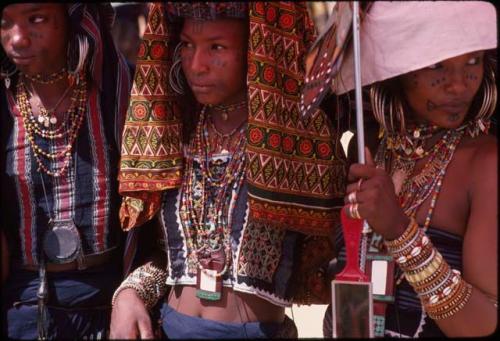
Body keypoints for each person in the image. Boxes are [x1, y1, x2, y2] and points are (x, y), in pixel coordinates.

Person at [110, 2, 347, 339]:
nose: (196, 65)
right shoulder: (176, 133)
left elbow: (333, 257)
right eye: (188, 45)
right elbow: (168, 259)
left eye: (217, 47)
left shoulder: (298, 145)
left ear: (256, 49)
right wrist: (130, 294)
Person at [323, 1, 497, 337]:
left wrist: (399, 230)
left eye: (472, 61)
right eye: (436, 65)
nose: (458, 85)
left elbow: (482, 324)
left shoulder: (485, 164)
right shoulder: (367, 149)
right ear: (396, 69)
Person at [0, 3, 132, 339]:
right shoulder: (3, 107)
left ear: (72, 20)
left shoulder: (117, 95)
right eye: (5, 23)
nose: (17, 39)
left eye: (36, 19)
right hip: (21, 313)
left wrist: (135, 292)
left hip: (112, 310)